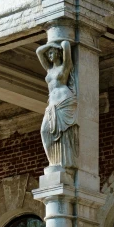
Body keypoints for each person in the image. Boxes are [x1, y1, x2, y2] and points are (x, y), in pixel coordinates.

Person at [37, 40, 78, 169]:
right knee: (44, 131)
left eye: (52, 52)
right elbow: (39, 52)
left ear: (58, 53)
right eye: (48, 53)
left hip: (64, 101)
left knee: (64, 134)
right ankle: (53, 162)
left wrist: (60, 43)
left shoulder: (65, 66)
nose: (49, 55)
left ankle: (63, 163)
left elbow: (66, 45)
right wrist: (50, 45)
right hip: (52, 105)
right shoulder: (49, 69)